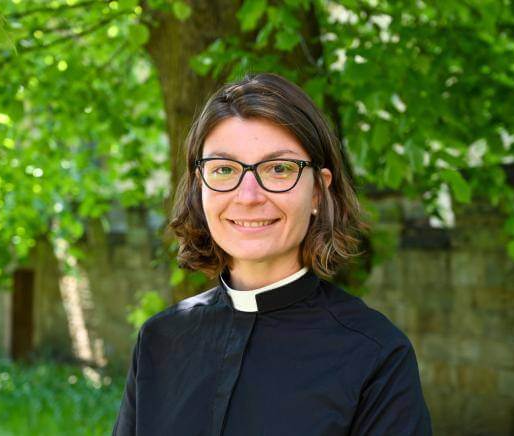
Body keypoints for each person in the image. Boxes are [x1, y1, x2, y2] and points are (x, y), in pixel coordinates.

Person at [113, 73, 432, 435]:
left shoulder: (375, 355)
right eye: (224, 169)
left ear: (317, 192)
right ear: (200, 187)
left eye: (278, 169)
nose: (248, 196)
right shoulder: (160, 340)